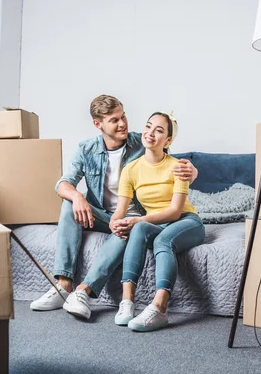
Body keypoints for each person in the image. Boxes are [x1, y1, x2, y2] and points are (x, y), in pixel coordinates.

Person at [30, 95, 198, 317]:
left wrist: (193, 172)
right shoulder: (87, 149)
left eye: (124, 116)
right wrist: (78, 197)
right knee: (68, 204)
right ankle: (64, 285)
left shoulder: (142, 141)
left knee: (126, 228)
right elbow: (63, 184)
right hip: (99, 214)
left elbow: (171, 167)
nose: (123, 124)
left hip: (132, 215)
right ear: (98, 124)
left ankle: (85, 291)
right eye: (114, 120)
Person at [109, 111, 205, 332]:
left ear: (168, 140)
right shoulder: (131, 169)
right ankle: (127, 303)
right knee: (139, 228)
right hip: (156, 224)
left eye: (159, 130)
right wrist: (116, 222)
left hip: (186, 222)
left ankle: (160, 308)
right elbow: (120, 210)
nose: (150, 133)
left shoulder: (179, 166)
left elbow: (174, 211)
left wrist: (139, 219)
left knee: (162, 241)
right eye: (148, 126)